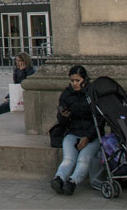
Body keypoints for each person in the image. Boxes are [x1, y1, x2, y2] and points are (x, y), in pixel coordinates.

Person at [50, 65, 100, 196]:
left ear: (85, 80)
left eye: (78, 80)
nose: (75, 84)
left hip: (92, 135)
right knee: (68, 159)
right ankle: (59, 178)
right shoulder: (66, 94)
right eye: (72, 81)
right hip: (73, 133)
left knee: (83, 159)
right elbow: (62, 122)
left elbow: (100, 121)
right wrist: (63, 116)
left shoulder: (93, 94)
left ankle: (72, 182)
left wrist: (88, 137)